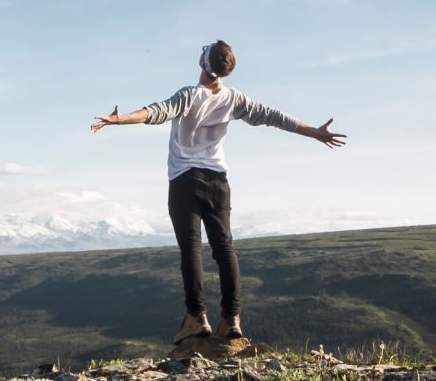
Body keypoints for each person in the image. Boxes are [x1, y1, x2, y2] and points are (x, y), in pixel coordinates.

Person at [90, 40, 346, 344]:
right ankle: (231, 319)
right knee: (224, 249)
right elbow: (274, 116)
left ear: (203, 63)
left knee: (192, 249)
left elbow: (156, 112)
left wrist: (119, 119)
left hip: (185, 181)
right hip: (218, 181)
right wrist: (314, 132)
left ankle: (196, 318)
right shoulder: (233, 99)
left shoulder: (189, 96)